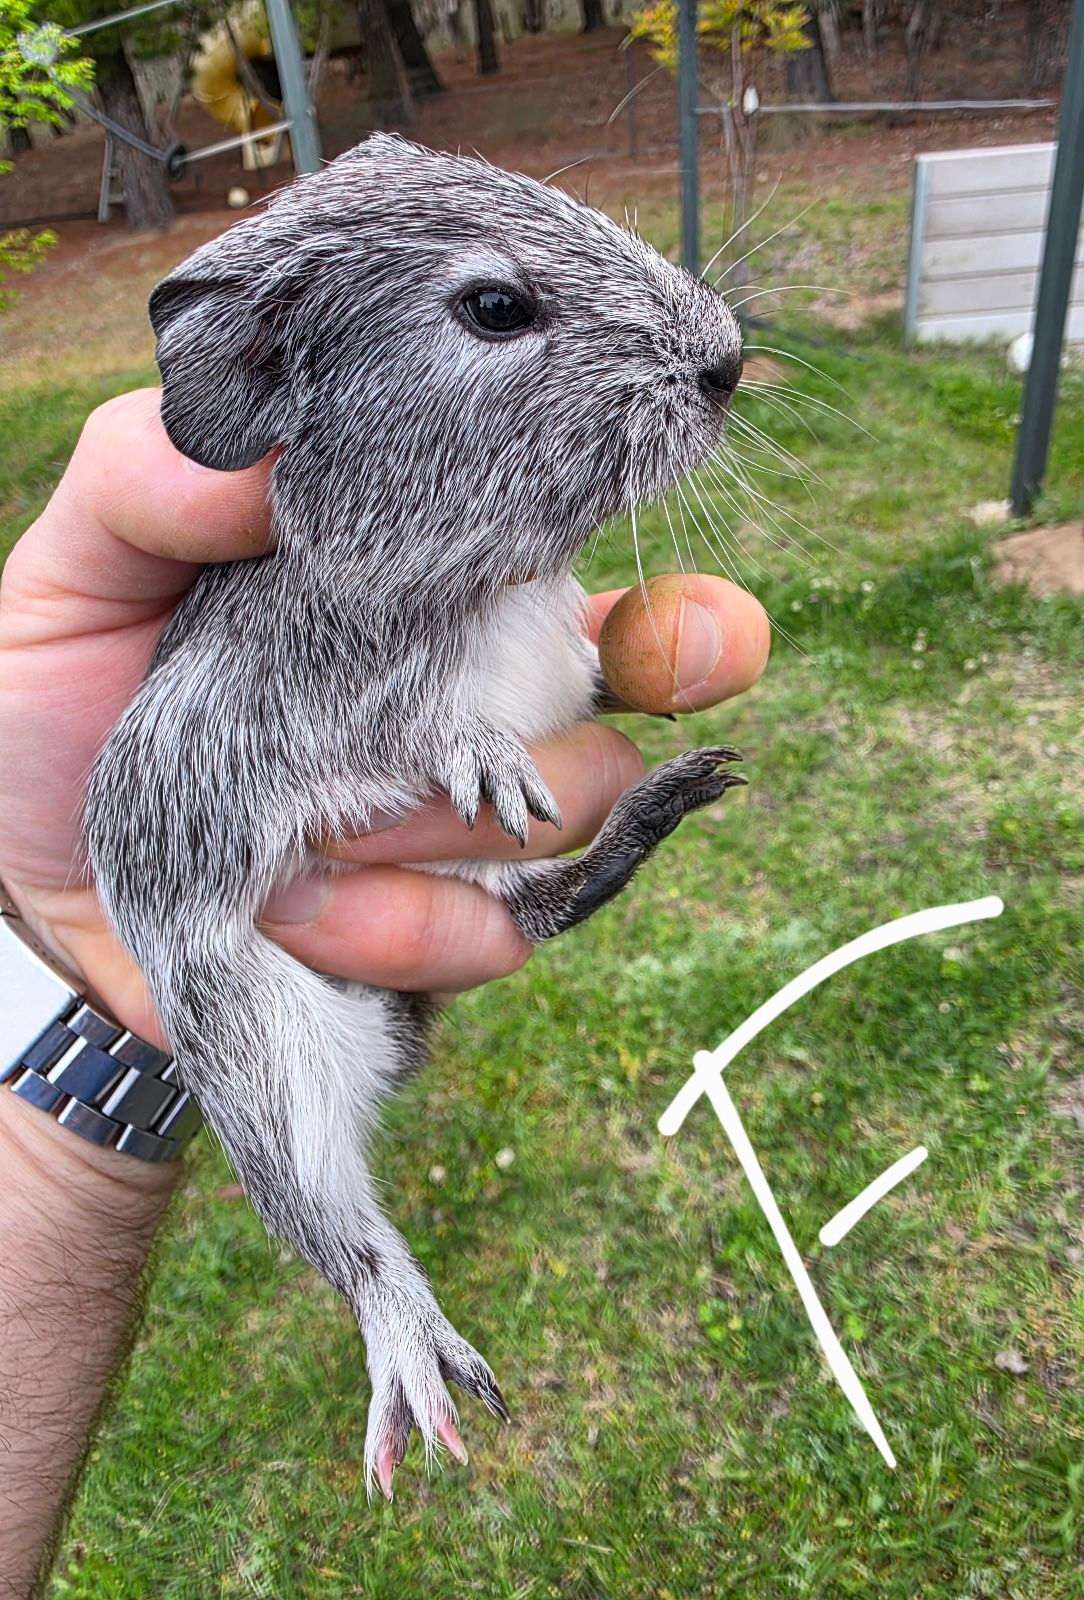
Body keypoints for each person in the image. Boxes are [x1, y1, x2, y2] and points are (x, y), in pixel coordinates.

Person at [0, 388, 769, 1596]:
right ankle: (378, 1287)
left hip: (319, 865)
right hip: (220, 888)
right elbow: (322, 674)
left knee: (519, 832)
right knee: (376, 946)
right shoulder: (308, 525)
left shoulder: (479, 533)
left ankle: (569, 872)